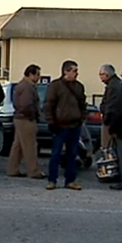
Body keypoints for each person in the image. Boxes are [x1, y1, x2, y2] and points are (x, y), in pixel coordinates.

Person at [43, 60, 86, 191]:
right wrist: (51, 121)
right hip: (60, 125)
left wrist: (82, 118)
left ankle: (70, 180)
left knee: (72, 154)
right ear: (66, 71)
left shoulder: (79, 87)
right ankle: (52, 180)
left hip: (75, 125)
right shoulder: (55, 86)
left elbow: (83, 104)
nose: (76, 73)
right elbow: (48, 104)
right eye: (74, 71)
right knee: (56, 153)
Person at [7, 65, 43, 179]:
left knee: (18, 145)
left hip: (19, 118)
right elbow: (26, 104)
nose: (39, 77)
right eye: (37, 74)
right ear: (31, 74)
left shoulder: (21, 85)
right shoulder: (27, 87)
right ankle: (33, 170)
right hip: (26, 119)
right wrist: (33, 115)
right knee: (30, 146)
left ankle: (12, 168)